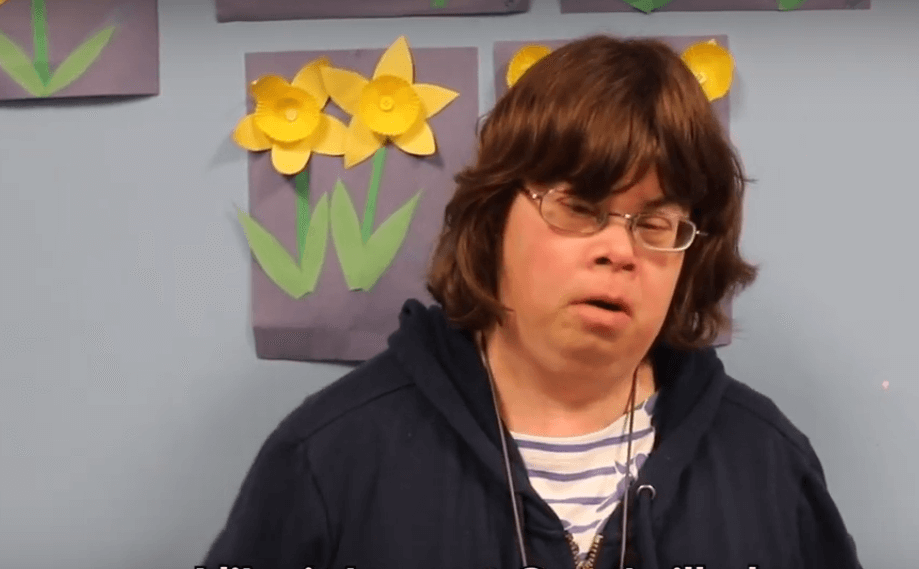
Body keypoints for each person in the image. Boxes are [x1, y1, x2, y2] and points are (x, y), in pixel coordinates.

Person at [201, 35, 862, 569]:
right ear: (492, 224)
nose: (619, 250)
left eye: (654, 224)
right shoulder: (329, 455)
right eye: (578, 208)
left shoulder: (766, 460)